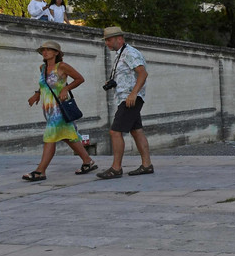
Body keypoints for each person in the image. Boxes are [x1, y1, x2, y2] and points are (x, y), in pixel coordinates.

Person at [23, 40, 97, 181]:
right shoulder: (42, 68)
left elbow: (80, 79)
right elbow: (44, 85)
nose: (45, 52)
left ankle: (40, 171)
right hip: (48, 109)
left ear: (56, 53)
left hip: (59, 109)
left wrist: (65, 88)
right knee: (68, 136)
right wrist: (37, 94)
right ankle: (88, 161)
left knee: (50, 138)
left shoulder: (62, 66)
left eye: (48, 50)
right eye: (43, 50)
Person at [96, 27, 154, 179]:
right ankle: (147, 165)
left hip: (130, 99)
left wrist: (133, 94)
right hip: (126, 97)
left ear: (119, 39)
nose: (107, 43)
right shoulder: (121, 53)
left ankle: (116, 168)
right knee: (137, 130)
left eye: (109, 40)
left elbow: (143, 73)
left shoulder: (130, 53)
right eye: (106, 40)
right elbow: (128, 74)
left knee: (115, 131)